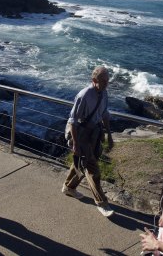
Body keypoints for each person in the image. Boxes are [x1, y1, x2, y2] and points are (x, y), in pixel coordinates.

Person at [62, 66, 115, 217]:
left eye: (107, 80)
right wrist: (76, 145)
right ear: (94, 80)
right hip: (81, 135)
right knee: (93, 169)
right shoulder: (84, 95)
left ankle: (69, 187)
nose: (106, 83)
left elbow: (104, 114)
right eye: (103, 81)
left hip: (94, 133)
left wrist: (109, 135)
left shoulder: (104, 93)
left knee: (81, 163)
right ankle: (102, 203)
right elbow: (73, 121)